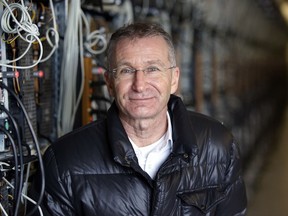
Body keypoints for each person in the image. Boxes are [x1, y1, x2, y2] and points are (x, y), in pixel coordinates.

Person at [32, 22, 247, 215]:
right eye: (126, 71)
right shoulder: (64, 162)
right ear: (109, 83)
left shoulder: (218, 147)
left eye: (153, 69)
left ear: (174, 79)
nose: (140, 85)